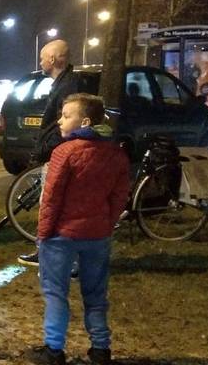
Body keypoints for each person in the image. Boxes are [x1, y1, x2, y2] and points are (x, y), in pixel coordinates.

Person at [33, 93, 130, 365]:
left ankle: (54, 350)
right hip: (97, 235)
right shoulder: (116, 154)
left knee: (55, 293)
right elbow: (119, 197)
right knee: (96, 295)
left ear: (84, 121)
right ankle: (101, 349)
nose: (60, 121)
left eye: (66, 115)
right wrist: (106, 225)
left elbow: (50, 199)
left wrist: (43, 234)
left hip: (61, 235)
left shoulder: (64, 152)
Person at [18, 39, 84, 267]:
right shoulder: (62, 84)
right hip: (55, 153)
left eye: (42, 57)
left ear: (53, 59)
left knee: (54, 206)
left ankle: (59, 257)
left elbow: (64, 125)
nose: (40, 61)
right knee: (50, 204)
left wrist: (49, 148)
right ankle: (46, 250)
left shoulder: (67, 87)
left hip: (57, 155)